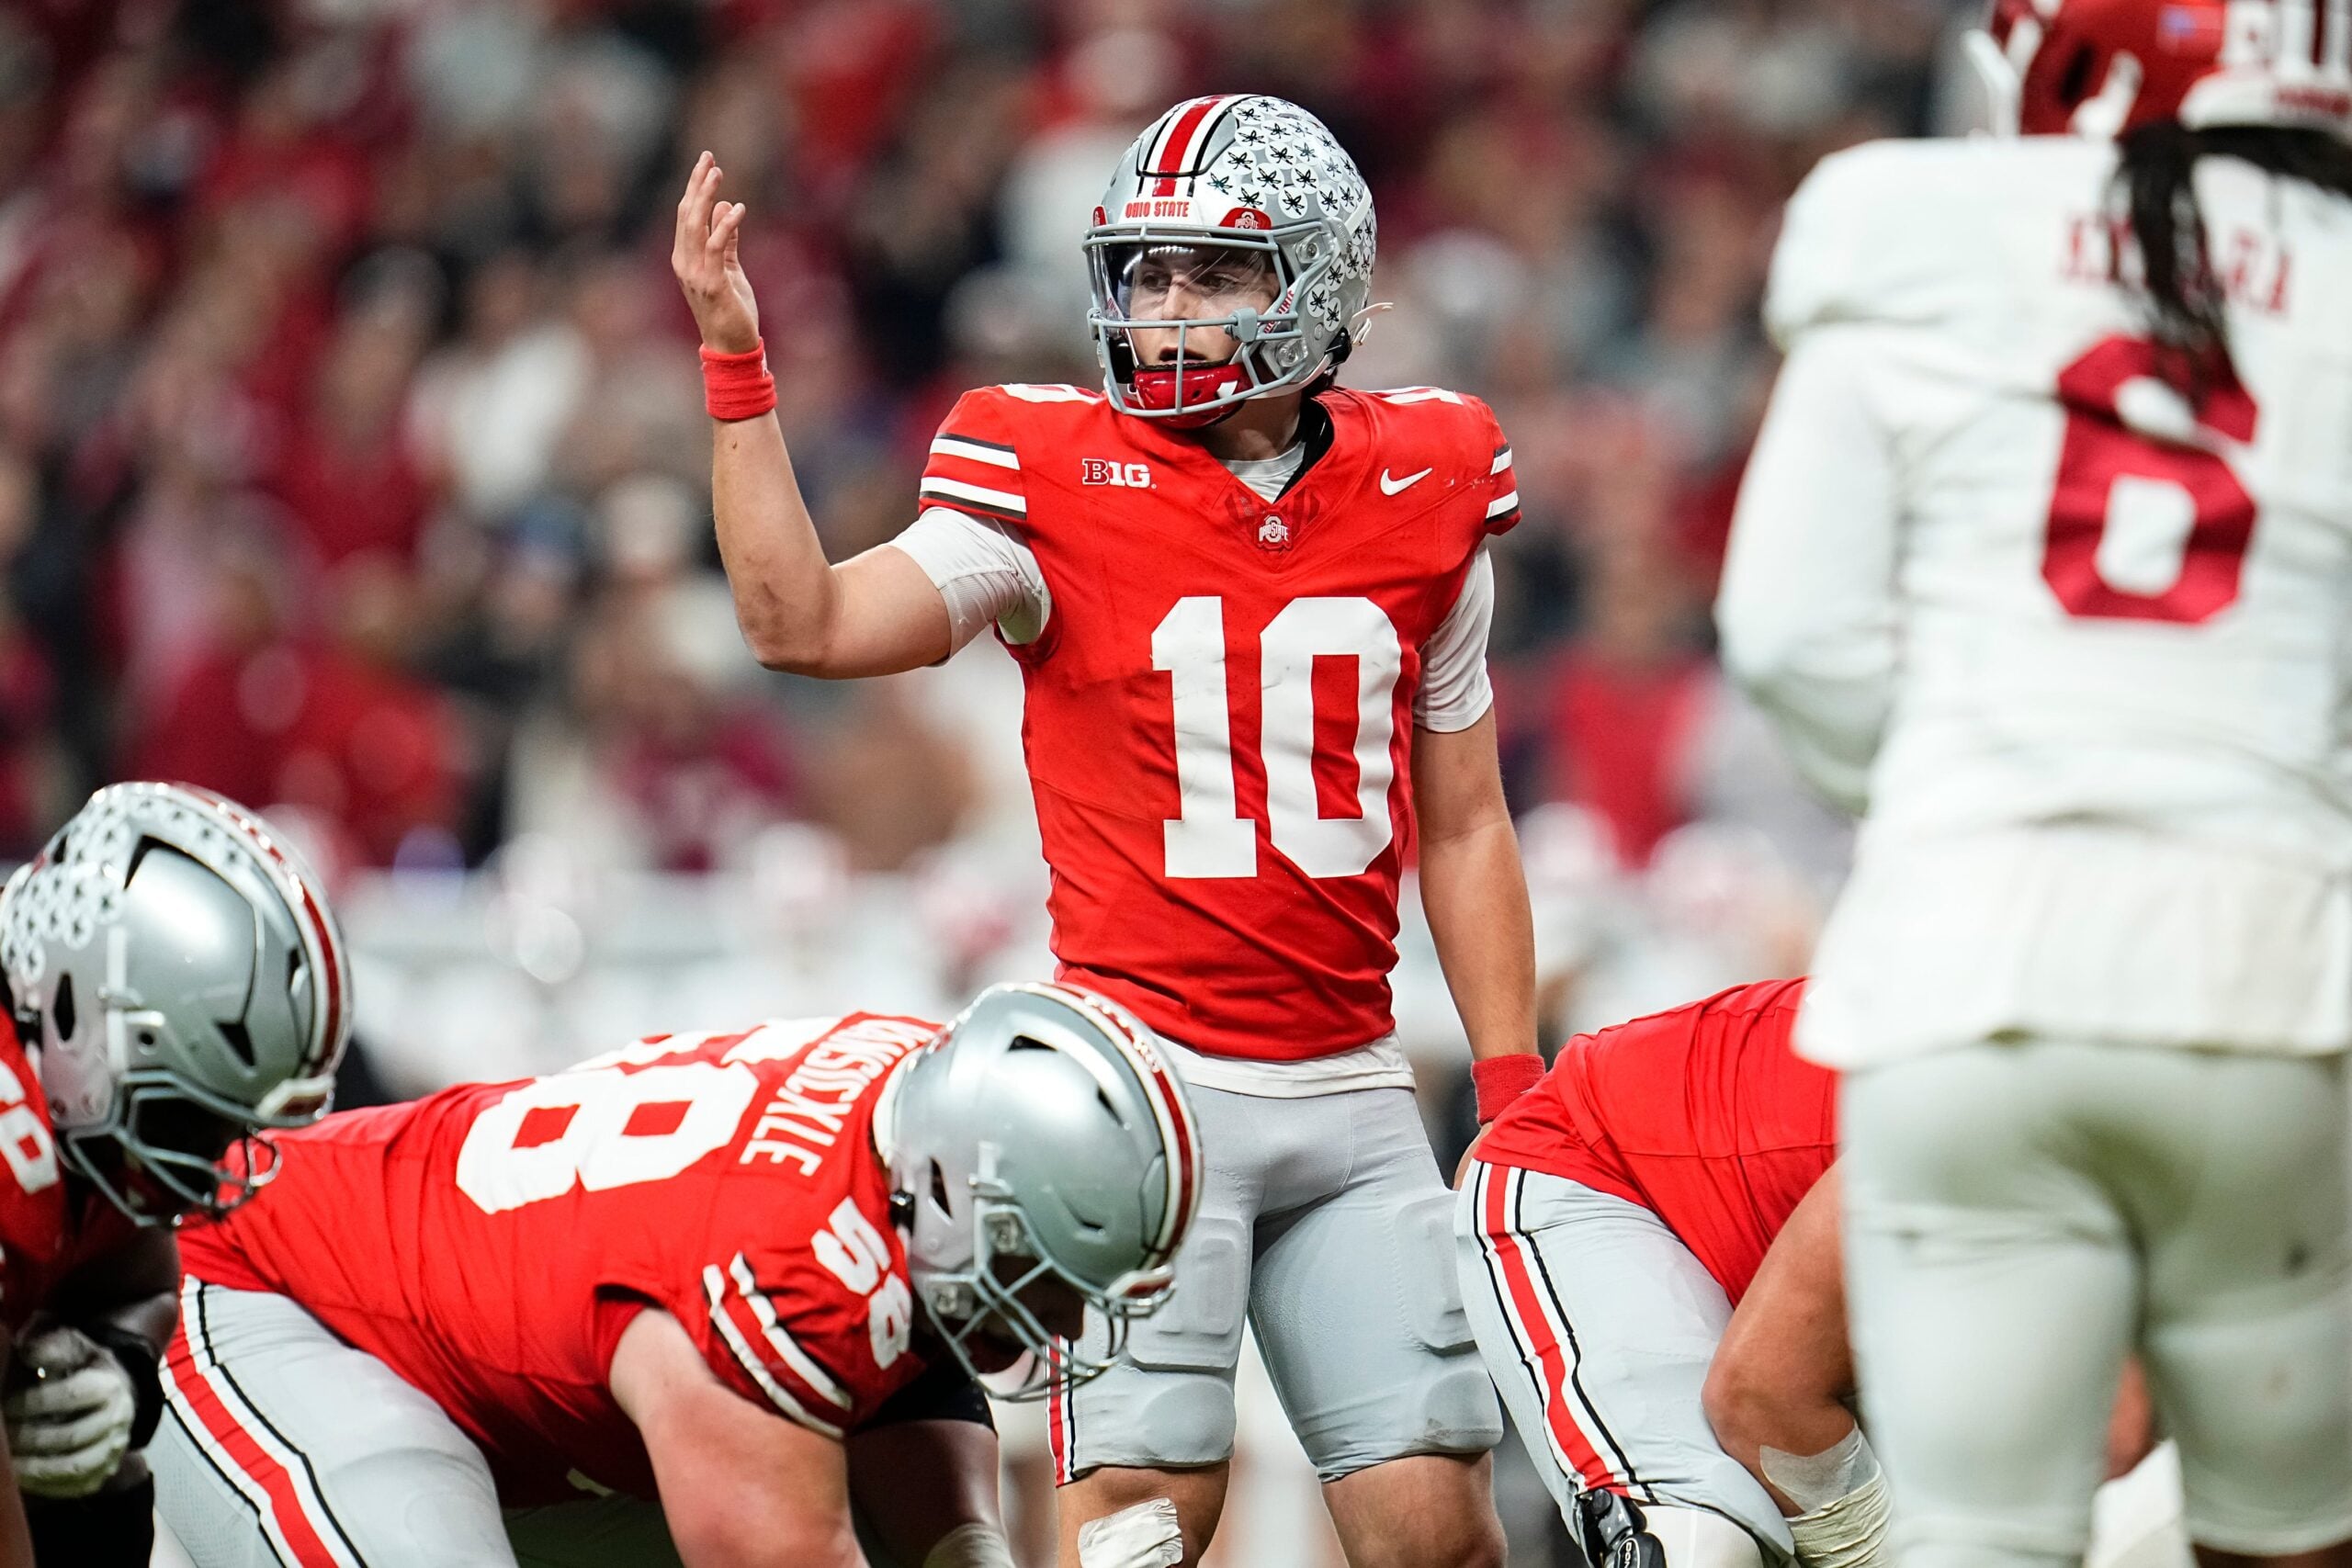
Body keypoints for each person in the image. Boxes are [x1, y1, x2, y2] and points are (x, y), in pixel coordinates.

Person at [674, 93, 1538, 1567]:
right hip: (1141, 1095)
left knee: (1438, 1534)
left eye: (1212, 271)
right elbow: (798, 620)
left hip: (1350, 1084)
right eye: (1147, 271)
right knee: (1141, 1529)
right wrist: (739, 364)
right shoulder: (1043, 473)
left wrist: (1512, 1080)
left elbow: (1462, 820)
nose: (1166, 307)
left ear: (1319, 280)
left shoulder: (1435, 473)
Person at [1715, 2, 2352, 1564]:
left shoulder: (1910, 228)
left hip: (1970, 958)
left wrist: (1962, 789)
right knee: (2287, 1536)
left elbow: (1790, 633)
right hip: (2281, 973)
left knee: (1981, 1538)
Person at [148, 982, 1203, 1568]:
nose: (1060, 1320)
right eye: (1047, 1274)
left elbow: (905, 1353)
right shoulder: (773, 1275)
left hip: (505, 1360)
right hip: (287, 1296)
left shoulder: (923, 1107)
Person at [1461, 979, 2161, 1568]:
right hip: (1597, 1176)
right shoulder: (2009, 1113)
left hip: (1819, 1289)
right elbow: (1762, 1394)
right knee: (1702, 1544)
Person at [0, 782, 350, 1568]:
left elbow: (141, 1272)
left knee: (90, 1463)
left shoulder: (66, 1091)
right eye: (190, 1118)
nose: (206, 1168)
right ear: (65, 1007)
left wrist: (119, 1359)